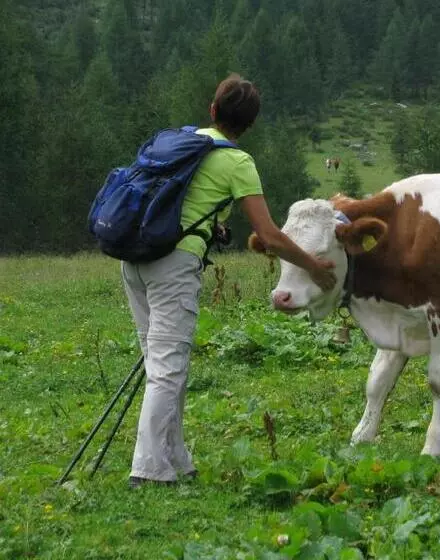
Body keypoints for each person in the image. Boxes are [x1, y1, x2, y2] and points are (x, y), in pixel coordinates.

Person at [122, 74, 336, 488]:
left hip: (134, 259)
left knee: (160, 362)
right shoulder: (237, 162)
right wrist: (312, 265)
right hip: (172, 266)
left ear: (212, 110)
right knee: (167, 368)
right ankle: (148, 469)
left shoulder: (182, 144)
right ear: (249, 125)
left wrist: (212, 228)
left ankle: (175, 457)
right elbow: (271, 236)